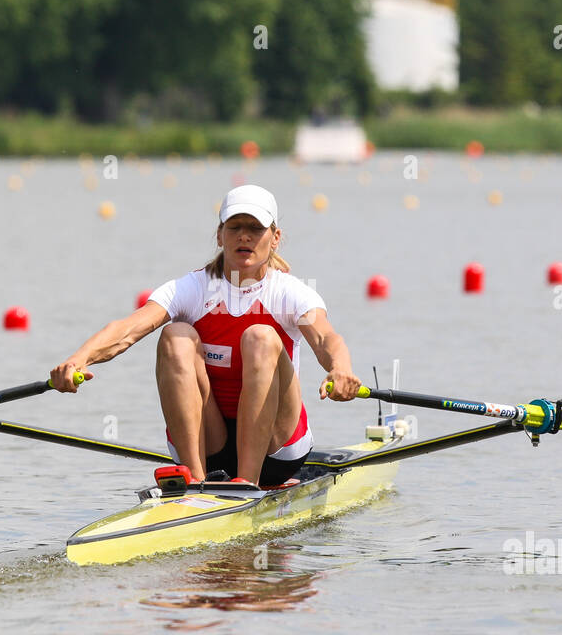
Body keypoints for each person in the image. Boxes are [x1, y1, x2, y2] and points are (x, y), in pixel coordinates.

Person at [50, 184, 361, 486]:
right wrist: (79, 359)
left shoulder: (290, 293)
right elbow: (128, 329)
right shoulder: (193, 288)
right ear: (219, 235)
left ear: (275, 238)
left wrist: (341, 369)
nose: (244, 236)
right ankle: (194, 481)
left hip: (276, 451)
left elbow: (325, 338)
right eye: (235, 226)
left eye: (255, 228)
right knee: (175, 335)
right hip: (210, 444)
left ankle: (246, 482)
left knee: (261, 337)